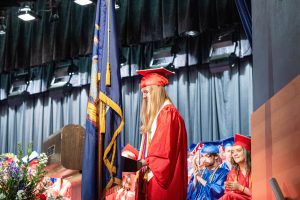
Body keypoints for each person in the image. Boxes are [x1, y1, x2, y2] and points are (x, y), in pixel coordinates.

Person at [134, 67, 188, 200]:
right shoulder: (160, 114)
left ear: (157, 91)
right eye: (143, 92)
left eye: (146, 92)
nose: (144, 96)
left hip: (163, 180)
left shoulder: (168, 114)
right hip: (153, 174)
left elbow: (163, 153)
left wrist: (142, 163)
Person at [219, 134, 252, 200]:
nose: (235, 154)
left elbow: (259, 193)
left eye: (238, 150)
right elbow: (228, 193)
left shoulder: (256, 170)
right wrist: (231, 188)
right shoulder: (232, 173)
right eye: (232, 152)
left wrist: (239, 187)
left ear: (247, 152)